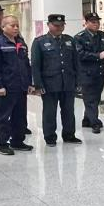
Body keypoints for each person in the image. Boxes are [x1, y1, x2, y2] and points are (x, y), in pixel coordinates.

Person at [31, 14, 81, 147]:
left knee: (68, 111)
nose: (59, 28)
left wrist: (78, 81)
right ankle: (50, 137)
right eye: (56, 25)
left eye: (62, 25)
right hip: (49, 84)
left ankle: (69, 135)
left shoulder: (69, 40)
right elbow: (35, 65)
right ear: (49, 25)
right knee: (49, 112)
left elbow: (76, 62)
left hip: (68, 82)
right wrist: (38, 85)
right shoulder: (40, 42)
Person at [0, 16, 33, 155]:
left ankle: (17, 141)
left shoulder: (21, 43)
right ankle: (2, 144)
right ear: (3, 27)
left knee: (20, 116)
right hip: (5, 87)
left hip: (20, 86)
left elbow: (26, 65)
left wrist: (29, 83)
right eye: (12, 25)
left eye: (17, 25)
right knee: (2, 116)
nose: (16, 28)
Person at [74, 12, 104, 134]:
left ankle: (86, 120)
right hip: (87, 73)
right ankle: (95, 122)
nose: (96, 24)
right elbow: (80, 55)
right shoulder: (79, 38)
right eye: (93, 22)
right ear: (86, 23)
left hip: (100, 73)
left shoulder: (102, 35)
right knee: (90, 99)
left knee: (96, 97)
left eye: (97, 22)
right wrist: (98, 55)